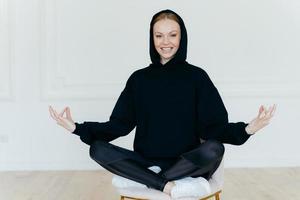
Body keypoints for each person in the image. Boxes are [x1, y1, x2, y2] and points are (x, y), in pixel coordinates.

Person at [49, 9, 276, 199]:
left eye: (172, 35)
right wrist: (76, 127)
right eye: (159, 36)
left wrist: (249, 128)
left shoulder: (197, 77)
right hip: (148, 161)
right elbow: (119, 125)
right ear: (152, 38)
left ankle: (145, 181)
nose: (165, 42)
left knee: (215, 148)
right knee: (97, 149)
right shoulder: (139, 79)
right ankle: (167, 185)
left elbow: (213, 128)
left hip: (186, 162)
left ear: (181, 38)